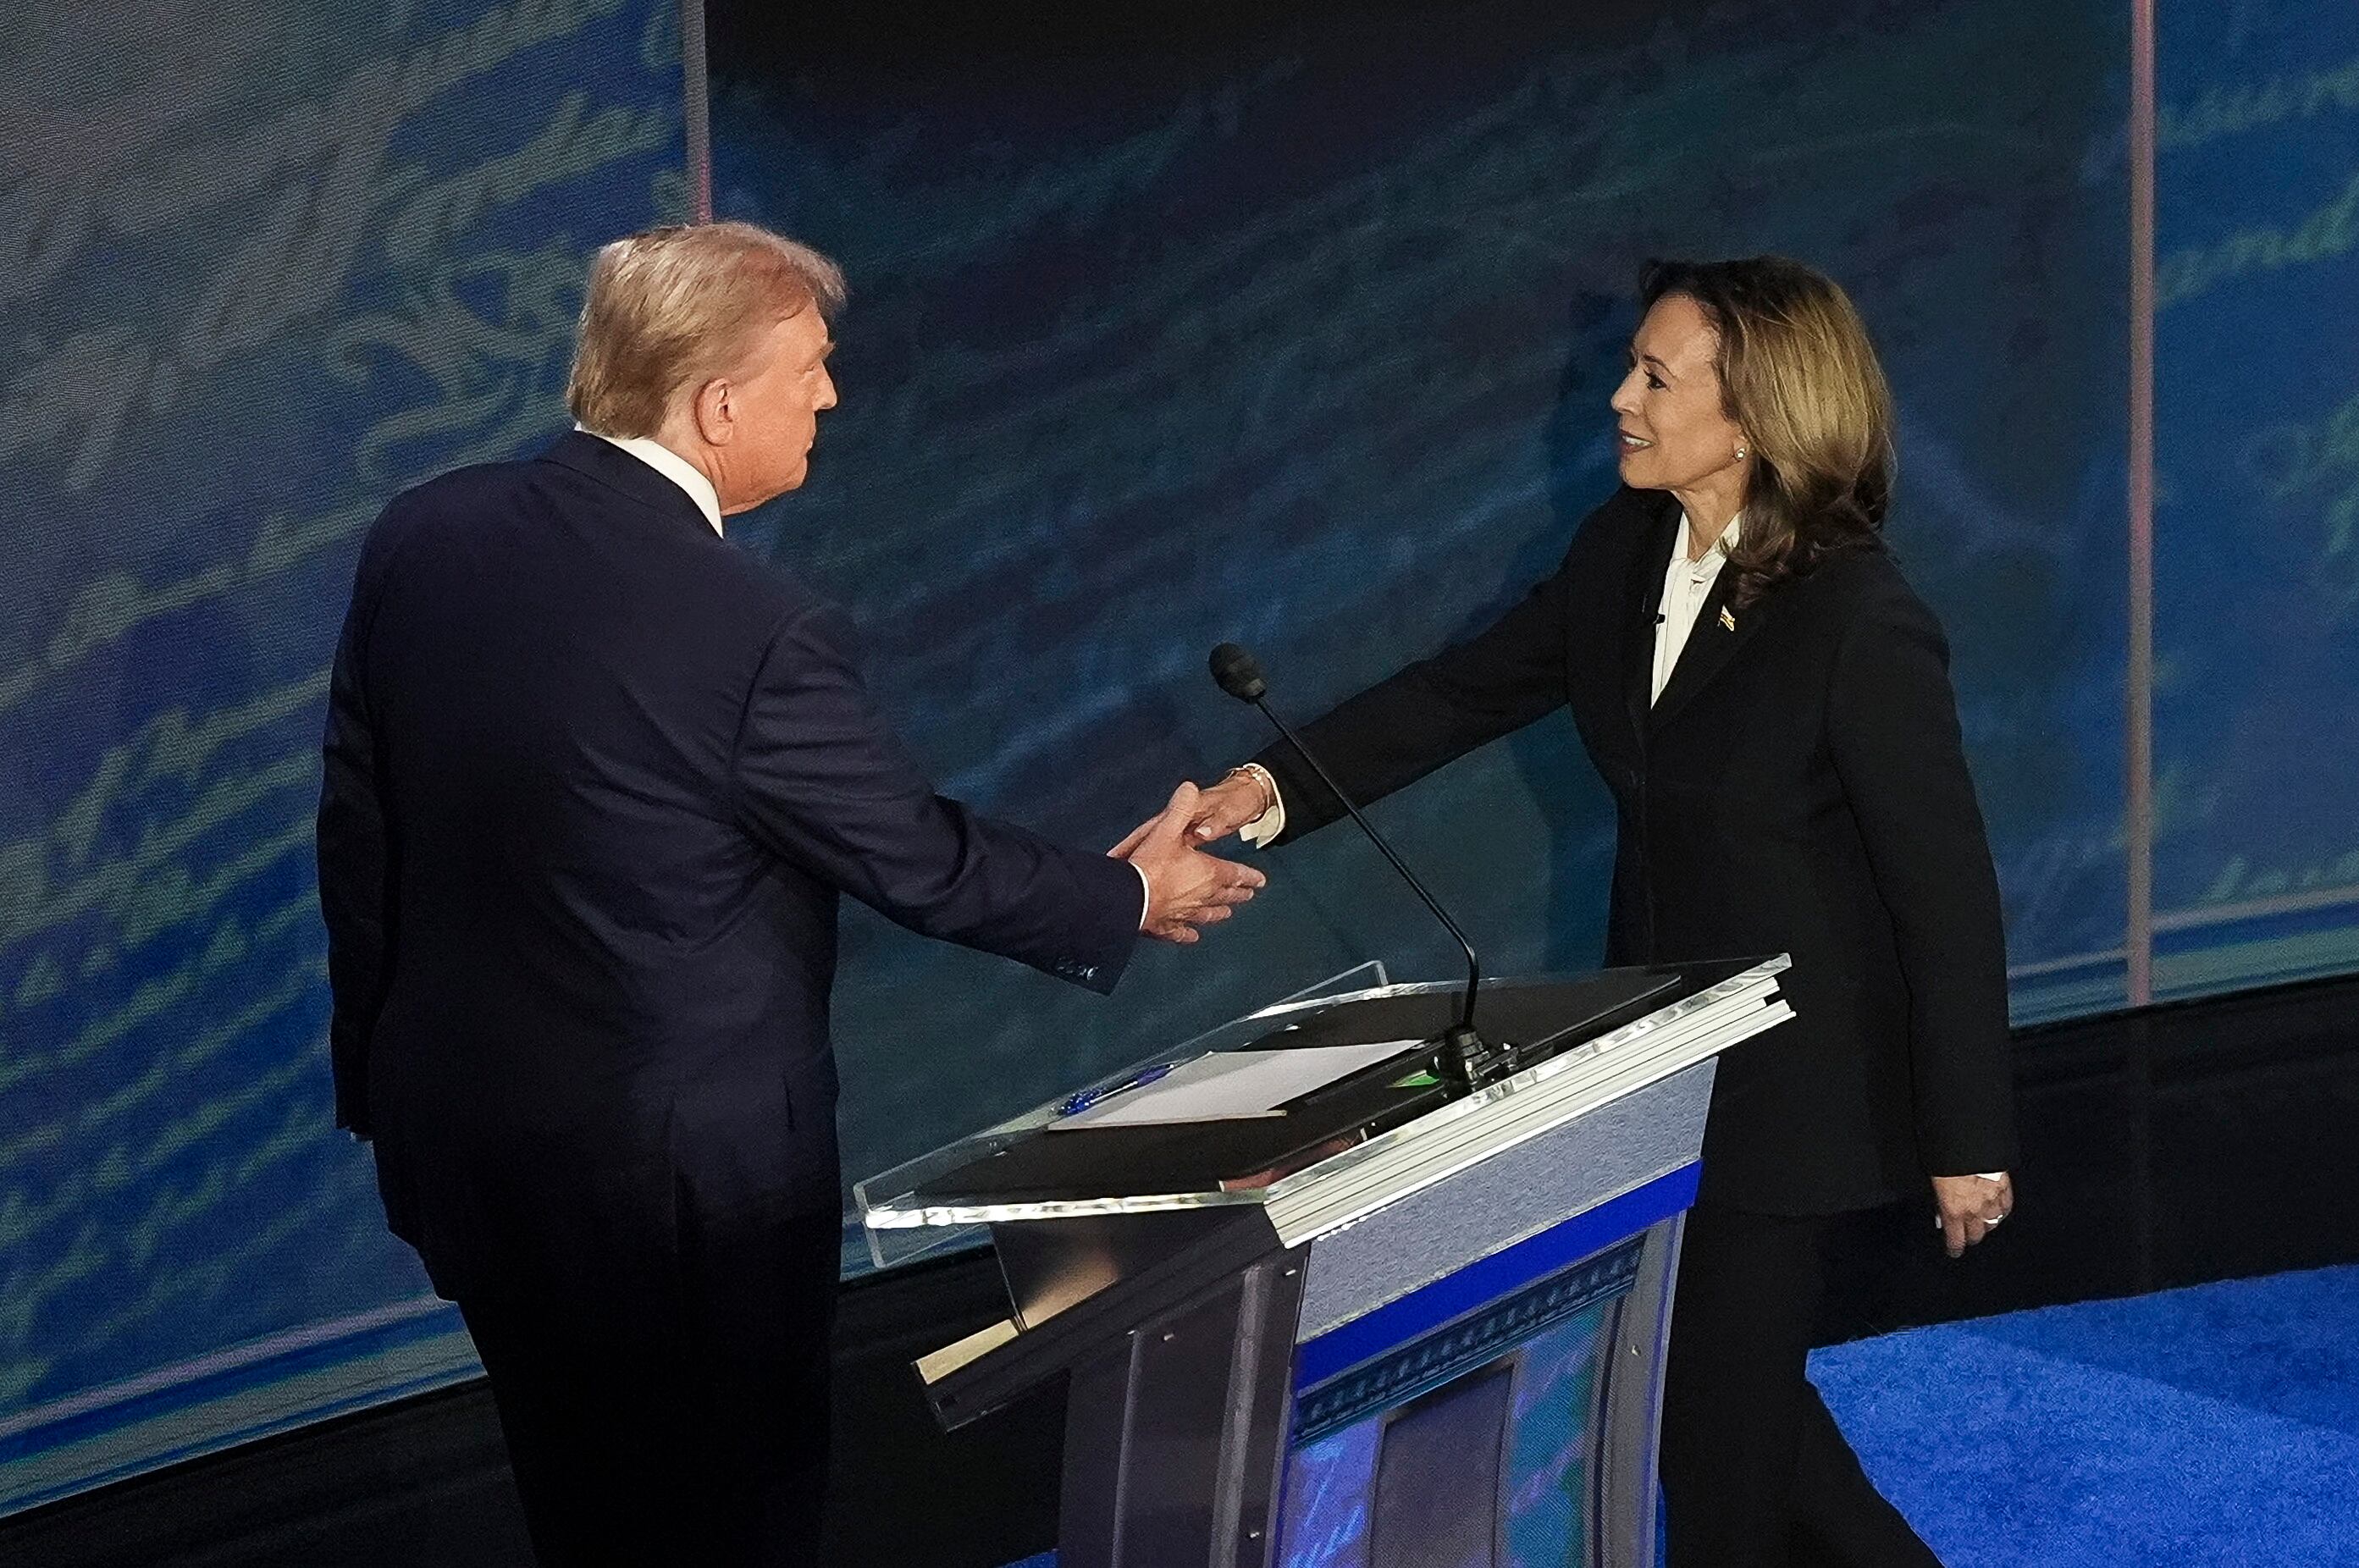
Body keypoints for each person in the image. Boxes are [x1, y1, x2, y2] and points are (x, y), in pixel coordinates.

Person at [314, 220, 1263, 1567]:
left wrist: (385, 1092)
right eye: (810, 367)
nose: (829, 395)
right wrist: (1124, 895)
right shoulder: (747, 629)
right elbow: (914, 859)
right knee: (726, 1528)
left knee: (580, 1512)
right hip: (683, 1207)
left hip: (475, 1153)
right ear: (715, 404)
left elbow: (360, 841)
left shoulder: (429, 534)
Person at [1169, 257, 2015, 1566]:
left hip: (1800, 1087)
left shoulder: (1856, 615)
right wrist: (1266, 786)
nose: (1618, 398)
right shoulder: (1622, 549)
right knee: (1726, 1398)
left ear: (1752, 415)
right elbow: (1459, 694)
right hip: (1661, 1060)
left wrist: (1967, 1134)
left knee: (1718, 1442)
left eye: (1653, 377)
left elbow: (1943, 889)